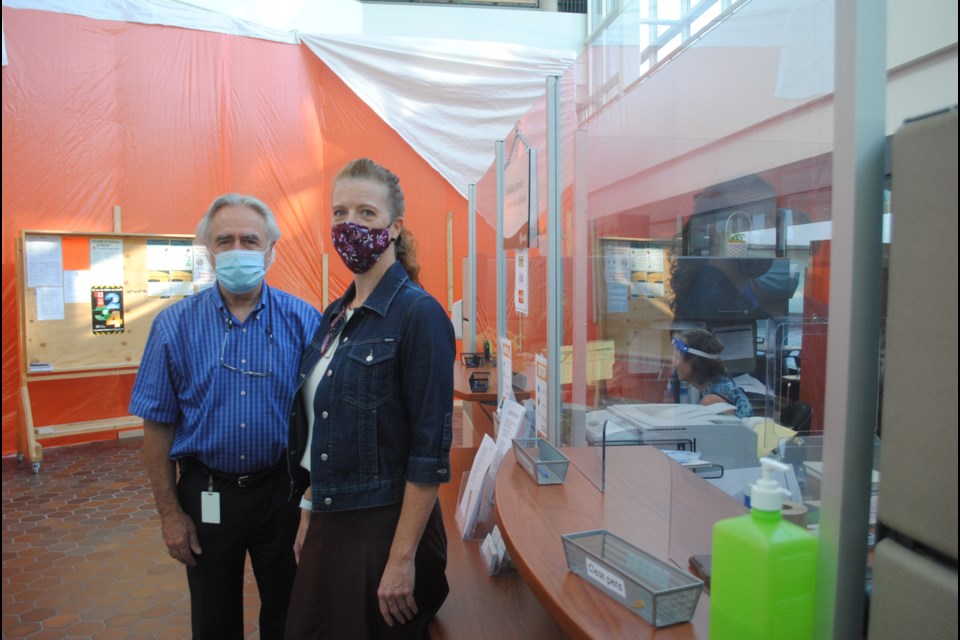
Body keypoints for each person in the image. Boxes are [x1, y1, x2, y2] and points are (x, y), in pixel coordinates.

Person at [129, 194, 321, 639]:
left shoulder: (304, 321)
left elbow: (322, 418)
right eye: (225, 240)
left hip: (283, 492)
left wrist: (312, 504)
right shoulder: (172, 327)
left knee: (289, 613)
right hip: (206, 494)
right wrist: (169, 515)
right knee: (213, 620)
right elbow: (157, 426)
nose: (238, 250)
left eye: (250, 240)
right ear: (208, 251)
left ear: (271, 249)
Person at [285, 158, 455, 640]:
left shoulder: (419, 316)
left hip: (383, 529)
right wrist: (309, 506)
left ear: (394, 226)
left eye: (365, 212)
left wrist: (401, 560)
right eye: (339, 213)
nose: (349, 226)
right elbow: (325, 424)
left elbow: (428, 453)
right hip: (331, 516)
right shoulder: (335, 315)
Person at [671, 329, 754, 418]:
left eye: (678, 356)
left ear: (694, 361)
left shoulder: (712, 402)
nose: (674, 363)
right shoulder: (720, 384)